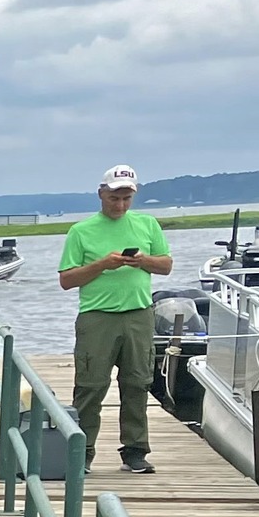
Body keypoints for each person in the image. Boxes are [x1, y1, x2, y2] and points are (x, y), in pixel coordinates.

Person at [57, 164, 172, 474]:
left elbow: (165, 266)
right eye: (114, 198)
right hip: (97, 316)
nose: (120, 205)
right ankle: (81, 453)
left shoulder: (147, 224)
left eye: (126, 199)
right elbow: (67, 280)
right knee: (90, 386)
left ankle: (135, 451)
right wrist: (102, 265)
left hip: (138, 314)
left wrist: (142, 261)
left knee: (137, 383)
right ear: (101, 194)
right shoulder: (81, 231)